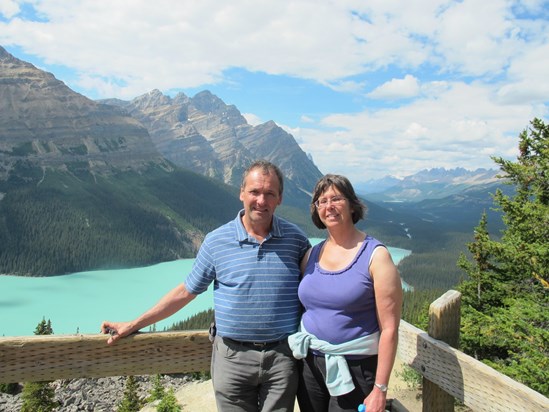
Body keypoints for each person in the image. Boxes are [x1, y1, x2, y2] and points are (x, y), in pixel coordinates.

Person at [101, 160, 311, 412]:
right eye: (254, 192)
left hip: (282, 359)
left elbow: (320, 286)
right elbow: (186, 291)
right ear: (241, 193)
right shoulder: (216, 241)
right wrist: (134, 325)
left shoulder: (296, 239)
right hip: (232, 358)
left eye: (269, 194)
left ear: (280, 198)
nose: (261, 201)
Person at [288, 174, 403, 412]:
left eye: (336, 199)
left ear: (352, 205)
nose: (328, 206)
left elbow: (390, 328)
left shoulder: (376, 256)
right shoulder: (312, 254)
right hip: (311, 365)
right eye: (321, 201)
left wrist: (380, 389)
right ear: (316, 209)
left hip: (357, 369)